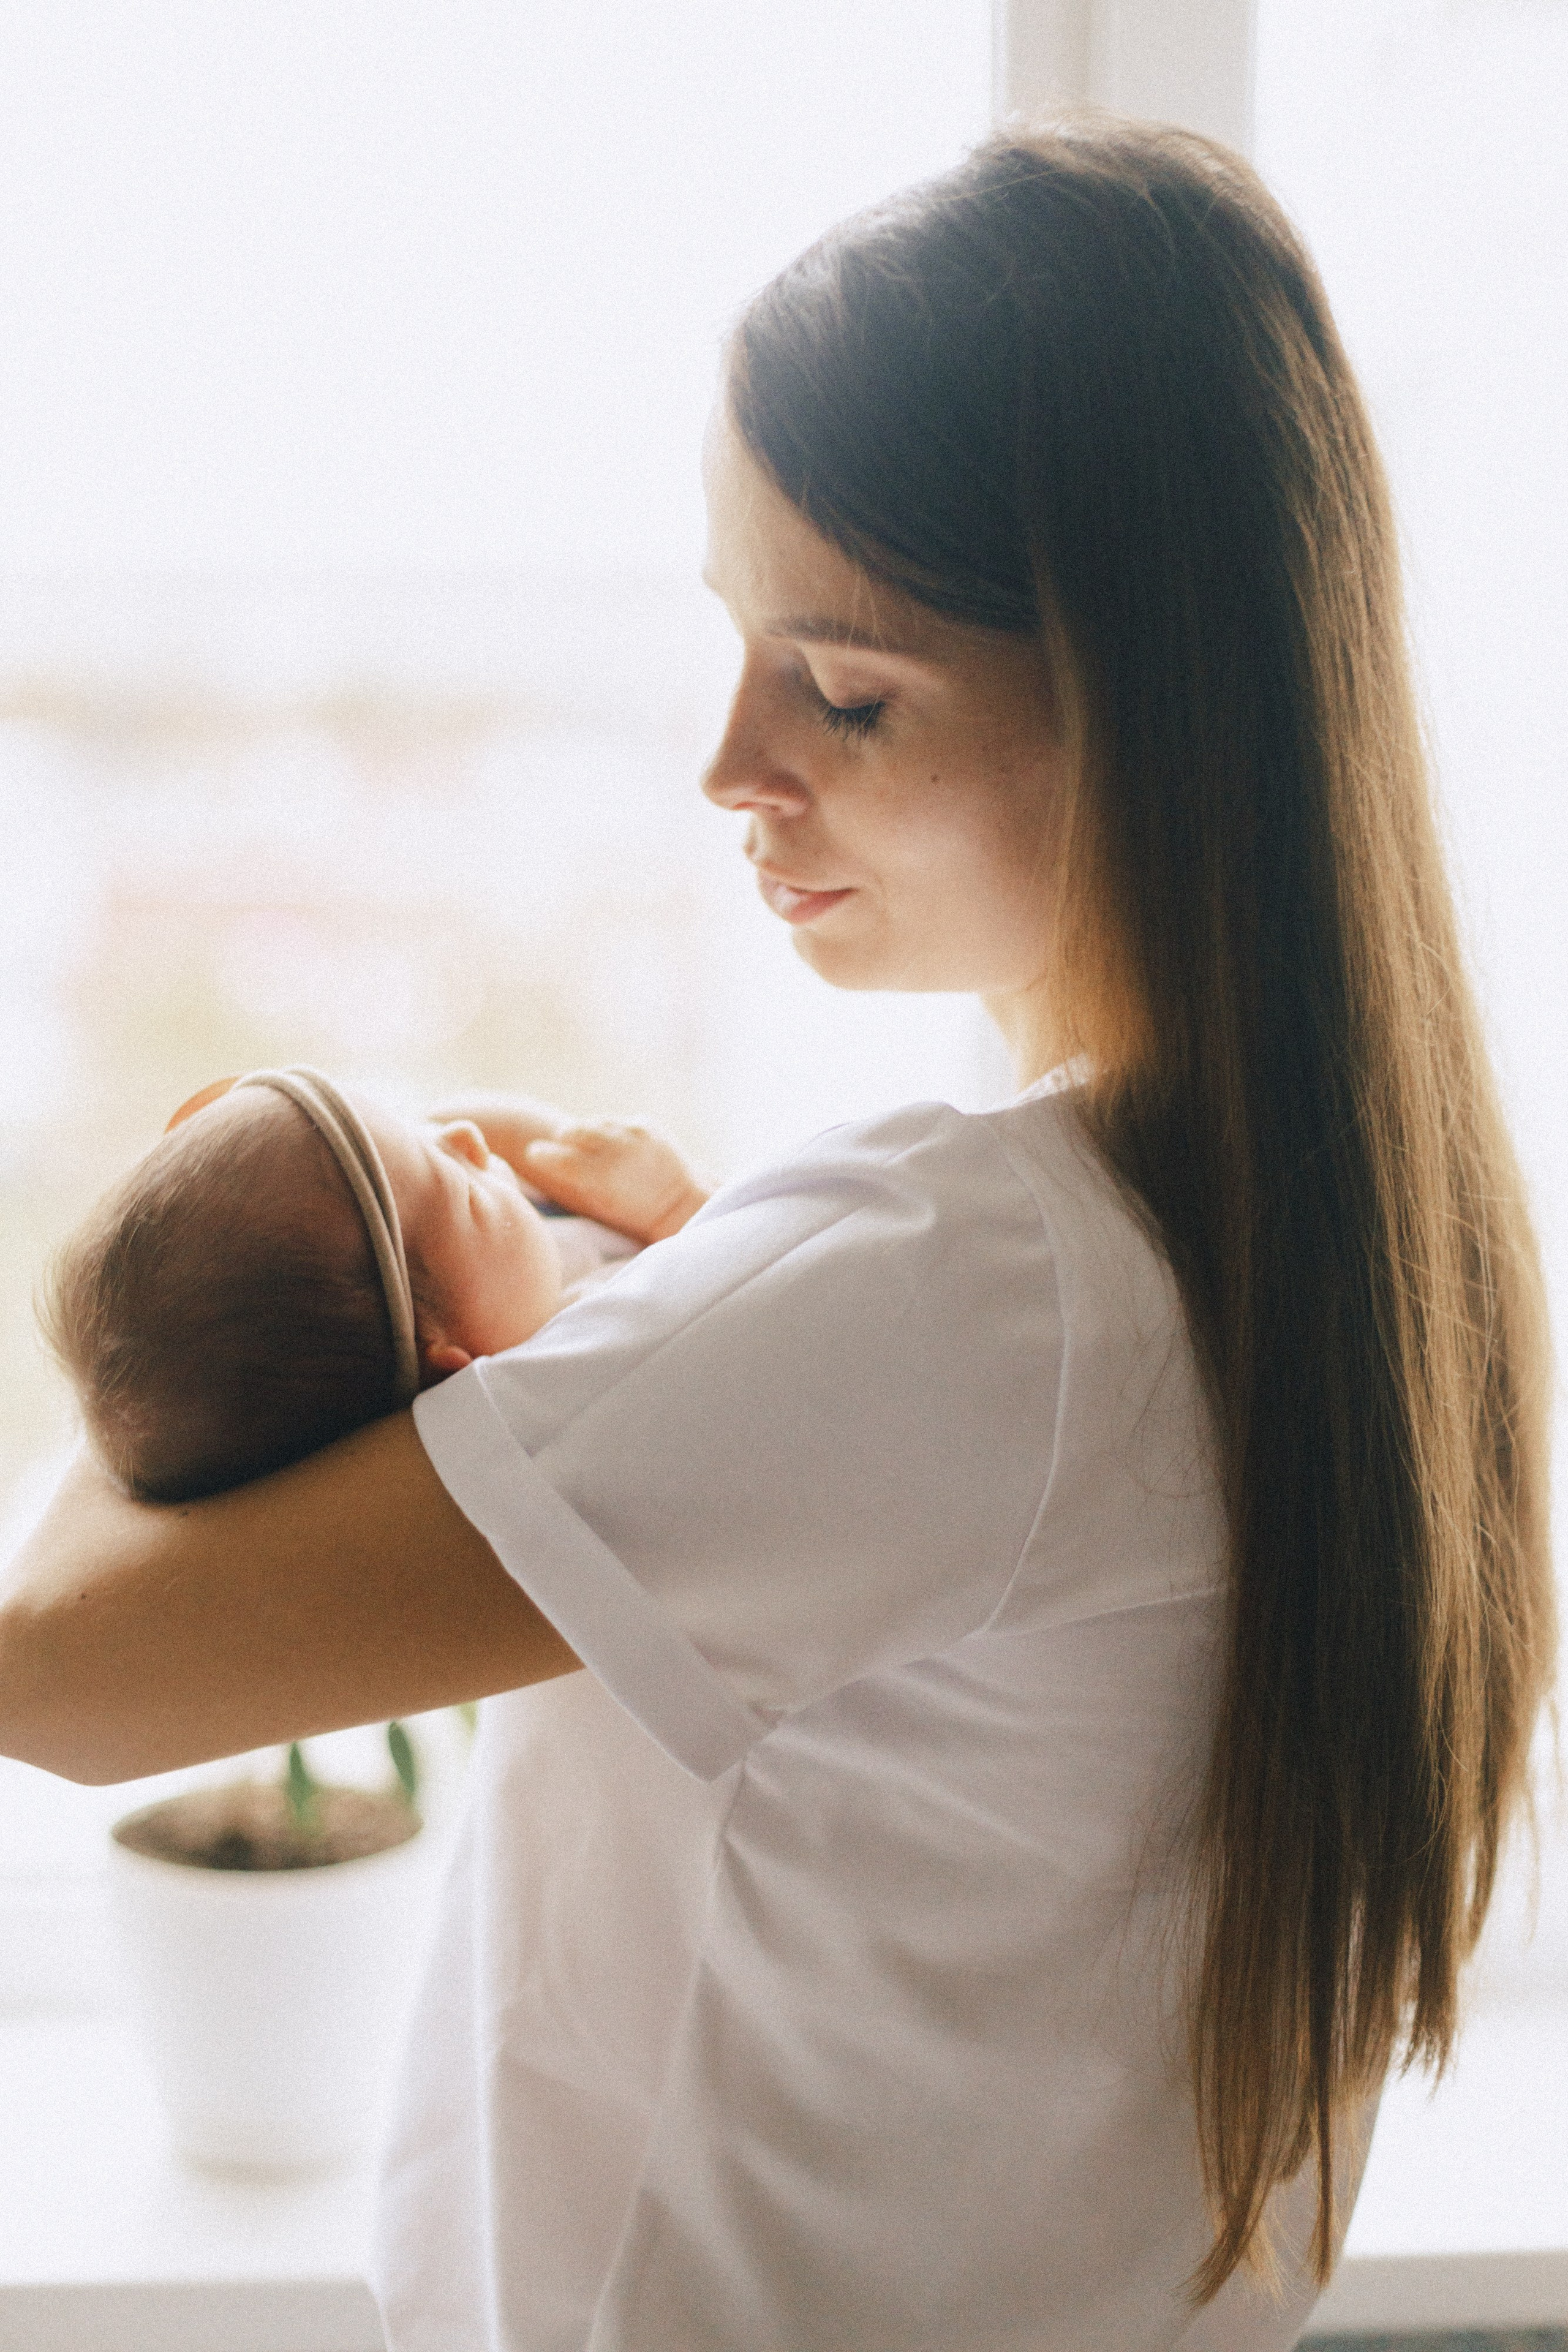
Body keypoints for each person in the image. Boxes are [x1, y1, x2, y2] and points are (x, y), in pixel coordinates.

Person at [0, 120, 1554, 2352]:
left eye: (844, 688)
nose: (731, 761)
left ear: (1157, 703)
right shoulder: (1346, 1245)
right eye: (734, 639)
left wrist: (254, 1214)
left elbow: (50, 1671)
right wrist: (677, 1324)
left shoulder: (958, 1284)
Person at [40, 1066, 687, 1502]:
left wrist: (432, 1153)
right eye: (466, 1197)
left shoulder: (494, 1271)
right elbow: (720, 1278)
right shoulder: (569, 1355)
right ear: (448, 1365)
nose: (467, 1138)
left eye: (414, 1131)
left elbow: (493, 1135)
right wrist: (674, 1203)